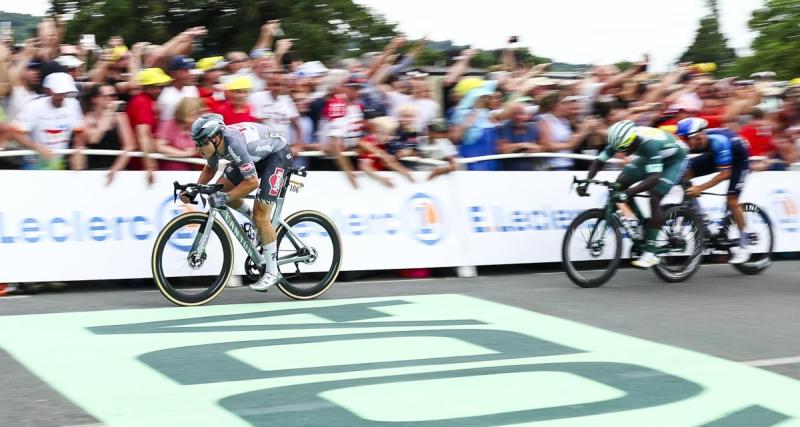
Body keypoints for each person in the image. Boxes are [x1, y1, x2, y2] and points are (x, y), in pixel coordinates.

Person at [184, 114, 292, 292]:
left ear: (216, 138)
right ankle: (252, 220)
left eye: (201, 142)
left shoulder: (233, 144)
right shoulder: (216, 143)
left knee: (261, 216)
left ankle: (273, 273)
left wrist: (226, 198)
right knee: (221, 190)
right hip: (255, 157)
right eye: (196, 142)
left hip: (277, 155)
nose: (197, 147)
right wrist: (195, 189)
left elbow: (252, 182)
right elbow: (210, 168)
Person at [580, 120, 689, 268]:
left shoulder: (649, 144)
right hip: (653, 155)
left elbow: (653, 178)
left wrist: (629, 193)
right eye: (618, 149)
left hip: (675, 159)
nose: (622, 153)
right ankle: (640, 226)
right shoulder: (620, 140)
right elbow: (599, 162)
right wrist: (587, 181)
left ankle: (651, 252)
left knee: (655, 195)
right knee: (619, 184)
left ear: (633, 140)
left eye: (624, 149)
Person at [675, 117, 752, 264]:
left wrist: (700, 188)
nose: (685, 142)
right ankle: (699, 215)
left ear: (698, 136)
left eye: (687, 138)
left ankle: (745, 243)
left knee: (731, 200)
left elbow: (725, 174)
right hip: (715, 155)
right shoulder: (696, 141)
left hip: (739, 160)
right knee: (683, 173)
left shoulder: (719, 141)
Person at [82, 84, 136, 184]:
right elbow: (94, 139)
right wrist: (107, 114)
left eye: (114, 96)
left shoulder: (120, 117)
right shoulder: (87, 119)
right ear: (95, 99)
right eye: (108, 96)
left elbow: (129, 146)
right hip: (92, 170)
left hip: (116, 170)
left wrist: (115, 169)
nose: (113, 99)